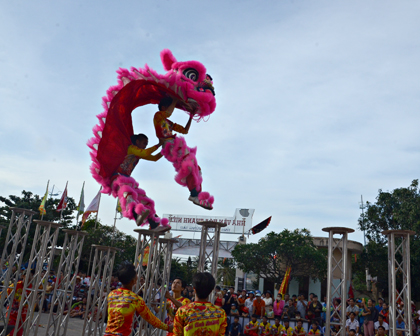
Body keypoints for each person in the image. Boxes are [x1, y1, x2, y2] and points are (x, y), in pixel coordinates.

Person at [153, 96, 213, 210]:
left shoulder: (168, 122)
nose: (172, 108)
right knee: (189, 166)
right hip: (169, 145)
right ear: (164, 107)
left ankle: (196, 194)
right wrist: (175, 100)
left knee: (196, 168)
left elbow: (184, 130)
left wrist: (191, 117)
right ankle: (194, 195)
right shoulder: (158, 115)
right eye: (170, 106)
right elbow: (168, 113)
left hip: (175, 145)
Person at [111, 133, 165, 229]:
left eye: (146, 144)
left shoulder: (139, 153)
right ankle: (137, 216)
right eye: (144, 143)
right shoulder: (131, 148)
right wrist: (159, 144)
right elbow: (145, 153)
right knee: (129, 196)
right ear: (137, 142)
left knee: (143, 199)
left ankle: (154, 224)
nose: (145, 146)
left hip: (127, 180)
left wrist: (165, 150)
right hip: (117, 178)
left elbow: (154, 158)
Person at [104, 263, 169, 336]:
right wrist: (167, 327)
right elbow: (151, 318)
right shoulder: (135, 299)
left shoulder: (112, 294)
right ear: (133, 280)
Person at [6, 269, 33, 336]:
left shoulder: (32, 288)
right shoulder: (15, 285)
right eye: (29, 275)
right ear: (23, 276)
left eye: (32, 276)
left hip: (23, 317)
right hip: (12, 314)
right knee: (10, 333)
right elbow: (4, 294)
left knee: (19, 334)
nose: (30, 277)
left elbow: (32, 305)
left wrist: (30, 319)